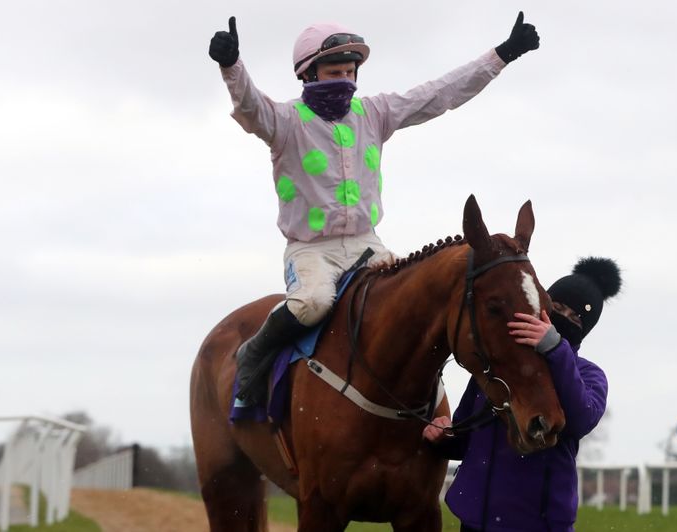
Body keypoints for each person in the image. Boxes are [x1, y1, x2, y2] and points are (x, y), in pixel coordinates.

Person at [207, 13, 541, 405]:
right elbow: (249, 106)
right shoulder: (284, 122)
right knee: (314, 303)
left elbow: (440, 94)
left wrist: (502, 55)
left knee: (414, 307)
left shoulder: (374, 113)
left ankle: (435, 408)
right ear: (308, 74)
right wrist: (231, 66)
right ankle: (255, 352)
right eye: (335, 71)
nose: (345, 80)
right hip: (312, 251)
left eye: (351, 71)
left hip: (368, 246)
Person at [423, 257, 622, 532]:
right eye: (558, 308)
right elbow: (464, 439)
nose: (562, 319)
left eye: (575, 317)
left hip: (539, 523)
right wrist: (443, 438)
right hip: (474, 519)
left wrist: (555, 349)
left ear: (584, 329)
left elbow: (579, 420)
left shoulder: (589, 374)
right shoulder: (498, 362)